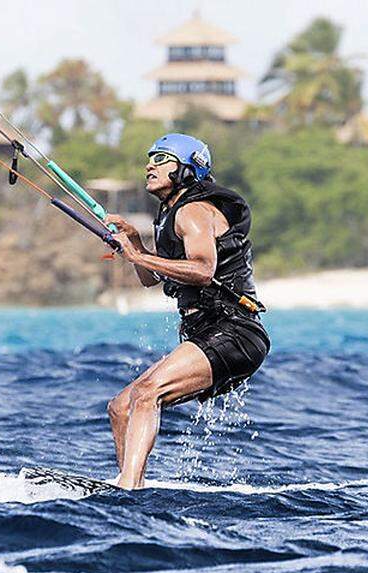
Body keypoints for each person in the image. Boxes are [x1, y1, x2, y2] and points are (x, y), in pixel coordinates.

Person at [105, 133, 269, 490]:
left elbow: (202, 270)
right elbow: (150, 278)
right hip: (209, 333)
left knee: (148, 392)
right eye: (149, 157)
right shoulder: (168, 217)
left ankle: (129, 485)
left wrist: (136, 255)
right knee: (121, 407)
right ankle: (130, 485)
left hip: (235, 331)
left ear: (187, 168)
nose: (150, 164)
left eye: (161, 158)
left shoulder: (194, 211)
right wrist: (135, 242)